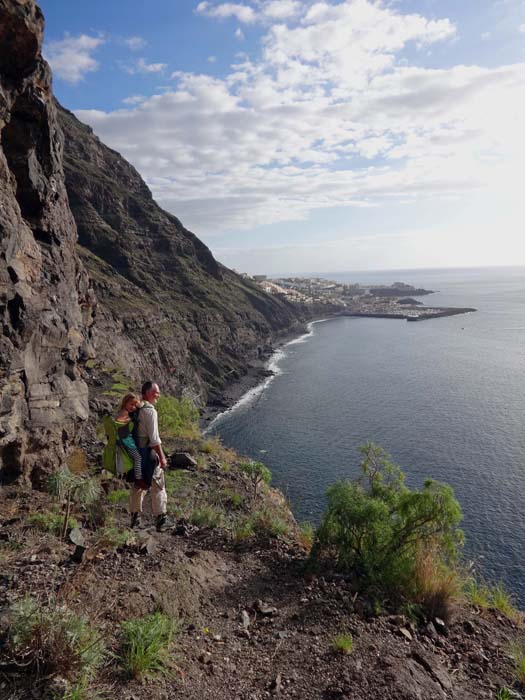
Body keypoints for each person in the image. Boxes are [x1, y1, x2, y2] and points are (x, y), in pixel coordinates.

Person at [129, 381, 169, 532]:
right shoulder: (150, 411)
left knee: (138, 483)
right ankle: (161, 519)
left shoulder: (135, 409)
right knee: (158, 484)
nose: (157, 394)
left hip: (135, 453)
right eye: (155, 392)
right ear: (146, 393)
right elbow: (154, 439)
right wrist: (162, 457)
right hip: (148, 453)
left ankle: (135, 518)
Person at [114, 393, 143, 481]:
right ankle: (139, 477)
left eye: (135, 405)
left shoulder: (123, 412)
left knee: (132, 458)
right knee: (138, 458)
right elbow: (119, 421)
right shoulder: (125, 413)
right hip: (127, 442)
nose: (133, 407)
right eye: (131, 404)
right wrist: (131, 420)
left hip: (124, 441)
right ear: (125, 402)